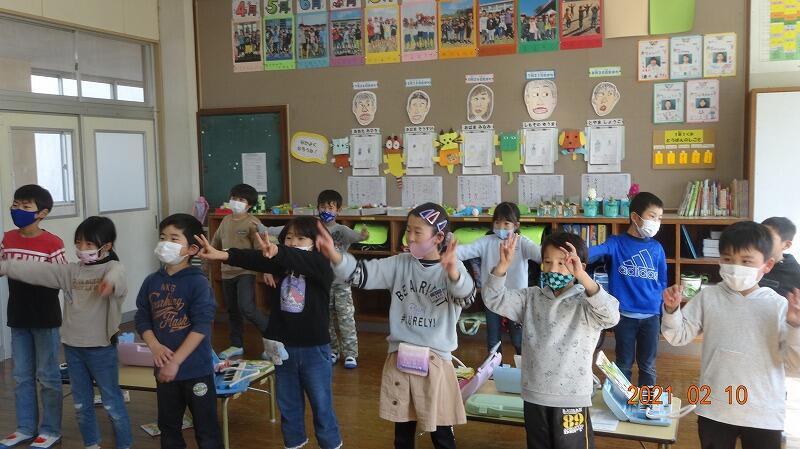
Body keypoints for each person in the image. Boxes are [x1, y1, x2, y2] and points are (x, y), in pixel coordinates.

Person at [319, 203, 475, 449]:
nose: (410, 237)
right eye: (408, 230)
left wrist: (454, 273)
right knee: (402, 432)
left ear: (438, 237)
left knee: (442, 432)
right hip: (401, 358)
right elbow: (361, 274)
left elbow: (466, 297)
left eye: (417, 232)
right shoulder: (400, 263)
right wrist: (336, 257)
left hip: (435, 361)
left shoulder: (452, 267)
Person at [196, 216, 343, 449]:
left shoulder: (321, 264)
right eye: (289, 237)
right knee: (288, 405)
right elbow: (254, 258)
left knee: (321, 405)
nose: (293, 242)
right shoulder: (282, 263)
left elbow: (298, 258)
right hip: (282, 349)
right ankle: (294, 443)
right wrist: (223, 255)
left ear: (316, 243)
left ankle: (330, 444)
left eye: (301, 238)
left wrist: (279, 250)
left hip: (314, 350)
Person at [662, 221, 800, 449]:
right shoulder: (708, 297)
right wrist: (671, 310)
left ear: (767, 265)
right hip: (715, 408)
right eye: (728, 259)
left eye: (746, 261)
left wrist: (795, 326)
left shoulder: (778, 306)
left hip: (763, 412)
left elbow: (794, 365)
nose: (736, 267)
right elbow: (678, 336)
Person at [1, 217, 131, 449]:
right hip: (73, 348)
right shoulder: (71, 271)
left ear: (107, 246)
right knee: (81, 404)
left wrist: (109, 284)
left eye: (89, 244)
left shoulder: (112, 267)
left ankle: (125, 444)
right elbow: (39, 271)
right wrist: (6, 266)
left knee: (112, 402)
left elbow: (117, 275)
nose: (82, 248)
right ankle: (91, 444)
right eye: (78, 243)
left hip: (101, 348)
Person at [483, 231, 619, 449]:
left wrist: (583, 277)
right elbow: (493, 298)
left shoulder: (586, 302)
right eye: (547, 262)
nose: (553, 269)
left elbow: (611, 316)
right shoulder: (531, 297)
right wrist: (502, 267)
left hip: (571, 397)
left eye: (562, 263)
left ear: (579, 266)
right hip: (534, 395)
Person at [135, 214, 223, 449]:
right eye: (163, 237)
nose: (165, 243)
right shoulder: (151, 281)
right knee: (169, 427)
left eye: (174, 239)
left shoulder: (198, 282)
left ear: (192, 249)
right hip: (164, 370)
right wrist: (154, 346)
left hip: (196, 370)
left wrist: (176, 362)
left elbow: (202, 325)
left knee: (207, 429)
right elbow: (142, 317)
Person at [0, 185, 66, 449]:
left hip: (45, 317)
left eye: (26, 206)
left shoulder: (53, 243)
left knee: (48, 376)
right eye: (16, 205)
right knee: (21, 376)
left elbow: (61, 278)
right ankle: (25, 428)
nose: (18, 210)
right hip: (18, 315)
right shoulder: (7, 239)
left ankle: (50, 430)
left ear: (42, 213)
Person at [588, 192, 667, 387]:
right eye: (652, 216)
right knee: (623, 363)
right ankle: (622, 400)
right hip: (624, 316)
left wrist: (660, 307)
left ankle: (647, 401)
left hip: (651, 317)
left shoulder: (657, 247)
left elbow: (662, 280)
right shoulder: (616, 243)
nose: (656, 222)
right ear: (635, 217)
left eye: (659, 218)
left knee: (648, 365)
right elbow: (592, 253)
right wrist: (575, 254)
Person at [456, 202, 541, 355]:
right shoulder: (486, 241)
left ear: (516, 225)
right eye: (497, 222)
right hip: (492, 297)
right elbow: (464, 251)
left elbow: (541, 255)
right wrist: (443, 252)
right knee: (493, 340)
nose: (501, 227)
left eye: (506, 223)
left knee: (518, 339)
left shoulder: (522, 242)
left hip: (516, 299)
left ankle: (525, 366)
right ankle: (494, 368)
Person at [211, 183, 268, 360]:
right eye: (234, 198)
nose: (236, 202)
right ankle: (236, 344)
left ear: (249, 205)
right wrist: (206, 261)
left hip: (246, 272)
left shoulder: (253, 222)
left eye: (241, 199)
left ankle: (273, 337)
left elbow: (261, 249)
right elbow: (215, 243)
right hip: (226, 272)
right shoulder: (225, 220)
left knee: (247, 308)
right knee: (232, 310)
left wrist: (267, 270)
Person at [317, 190, 368, 368]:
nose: (326, 210)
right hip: (322, 282)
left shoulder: (342, 230)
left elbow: (359, 237)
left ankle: (350, 354)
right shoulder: (314, 228)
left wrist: (364, 236)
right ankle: (333, 350)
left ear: (338, 210)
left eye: (330, 207)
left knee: (345, 318)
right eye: (322, 207)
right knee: (325, 319)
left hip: (341, 282)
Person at [760, 217, 800, 297]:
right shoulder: (749, 261)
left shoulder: (796, 274)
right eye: (759, 236)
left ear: (786, 245)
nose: (760, 241)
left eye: (768, 238)